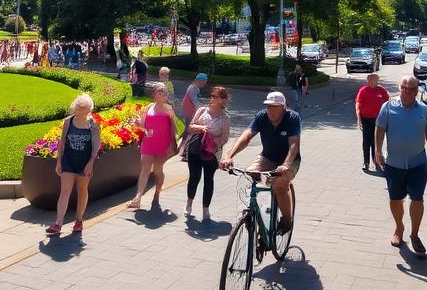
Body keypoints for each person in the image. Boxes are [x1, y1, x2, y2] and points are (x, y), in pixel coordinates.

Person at [373, 75, 427, 254]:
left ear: (417, 91)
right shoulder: (388, 107)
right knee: (395, 199)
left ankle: (415, 235)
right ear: (400, 88)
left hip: (417, 162)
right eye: (404, 88)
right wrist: (378, 151)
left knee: (417, 198)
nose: (407, 92)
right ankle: (399, 228)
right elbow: (379, 128)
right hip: (394, 163)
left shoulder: (424, 110)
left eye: (411, 89)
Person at [220, 90, 300, 236]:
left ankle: (287, 220)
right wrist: (229, 156)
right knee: (250, 173)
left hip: (289, 160)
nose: (270, 110)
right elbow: (246, 136)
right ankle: (257, 210)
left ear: (283, 107)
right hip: (267, 157)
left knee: (280, 184)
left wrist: (286, 164)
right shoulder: (262, 116)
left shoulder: (292, 118)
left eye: (275, 106)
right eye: (268, 106)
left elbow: (294, 145)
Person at [45, 94, 102, 235]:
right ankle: (58, 223)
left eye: (84, 108)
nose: (81, 111)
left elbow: (96, 145)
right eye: (79, 107)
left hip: (84, 161)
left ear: (89, 109)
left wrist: (91, 162)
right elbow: (62, 141)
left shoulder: (93, 125)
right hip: (68, 160)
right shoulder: (68, 122)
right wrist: (59, 161)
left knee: (82, 190)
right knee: (65, 191)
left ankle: (79, 220)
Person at [183, 85, 231, 221]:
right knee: (194, 177)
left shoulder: (225, 118)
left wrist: (211, 142)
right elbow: (191, 127)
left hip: (212, 152)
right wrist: (202, 129)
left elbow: (224, 137)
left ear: (223, 100)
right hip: (196, 148)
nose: (213, 99)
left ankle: (205, 209)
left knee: (209, 179)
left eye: (217, 97)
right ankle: (189, 203)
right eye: (212, 96)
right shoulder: (202, 110)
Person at [127, 83, 177, 211]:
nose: (160, 94)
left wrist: (172, 144)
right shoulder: (148, 107)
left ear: (166, 96)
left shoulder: (168, 109)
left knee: (157, 170)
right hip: (149, 142)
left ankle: (157, 192)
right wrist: (138, 124)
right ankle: (137, 198)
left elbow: (173, 129)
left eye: (163, 92)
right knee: (145, 170)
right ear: (154, 95)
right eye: (158, 92)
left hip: (163, 143)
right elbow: (143, 125)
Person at [355, 73, 391, 172]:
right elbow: (358, 104)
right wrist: (358, 118)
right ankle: (366, 162)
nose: (377, 81)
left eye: (378, 80)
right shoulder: (363, 90)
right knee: (367, 141)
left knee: (376, 141)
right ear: (370, 80)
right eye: (376, 79)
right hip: (366, 119)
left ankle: (376, 162)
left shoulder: (381, 90)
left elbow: (389, 101)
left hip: (378, 120)